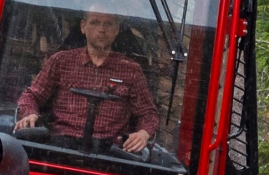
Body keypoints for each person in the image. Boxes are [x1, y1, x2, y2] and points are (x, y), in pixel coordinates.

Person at [16, 9, 162, 156]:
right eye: (95, 22)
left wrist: (143, 133)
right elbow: (31, 96)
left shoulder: (131, 70)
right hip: (61, 144)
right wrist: (30, 114)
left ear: (117, 30)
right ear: (83, 26)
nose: (102, 29)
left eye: (108, 24)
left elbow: (148, 113)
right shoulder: (61, 61)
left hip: (110, 151)